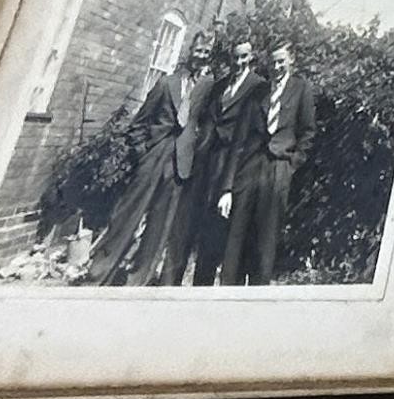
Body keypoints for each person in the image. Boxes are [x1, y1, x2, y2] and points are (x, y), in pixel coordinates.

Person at [83, 36, 216, 286]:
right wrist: (144, 152)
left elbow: (206, 123)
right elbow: (138, 124)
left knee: (159, 227)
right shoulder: (167, 83)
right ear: (190, 52)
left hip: (180, 163)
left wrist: (197, 149)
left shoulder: (208, 87)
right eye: (199, 50)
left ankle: (138, 281)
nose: (202, 55)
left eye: (207, 52)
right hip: (155, 155)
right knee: (127, 215)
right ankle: (99, 274)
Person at [220, 42, 317, 286]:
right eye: (273, 62)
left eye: (281, 61)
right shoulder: (257, 92)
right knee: (236, 238)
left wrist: (292, 164)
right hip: (249, 169)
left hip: (278, 170)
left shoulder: (301, 88)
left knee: (265, 239)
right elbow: (238, 141)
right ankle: (228, 295)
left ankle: (256, 295)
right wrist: (227, 188)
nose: (276, 67)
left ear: (291, 60)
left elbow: (307, 132)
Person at [174, 39, 263, 287]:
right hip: (205, 162)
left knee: (215, 231)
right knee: (191, 226)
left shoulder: (259, 87)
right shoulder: (220, 84)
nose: (238, 62)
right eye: (235, 57)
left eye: (244, 57)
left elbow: (252, 135)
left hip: (229, 167)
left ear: (252, 58)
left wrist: (231, 182)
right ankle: (179, 283)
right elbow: (207, 119)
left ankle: (203, 288)